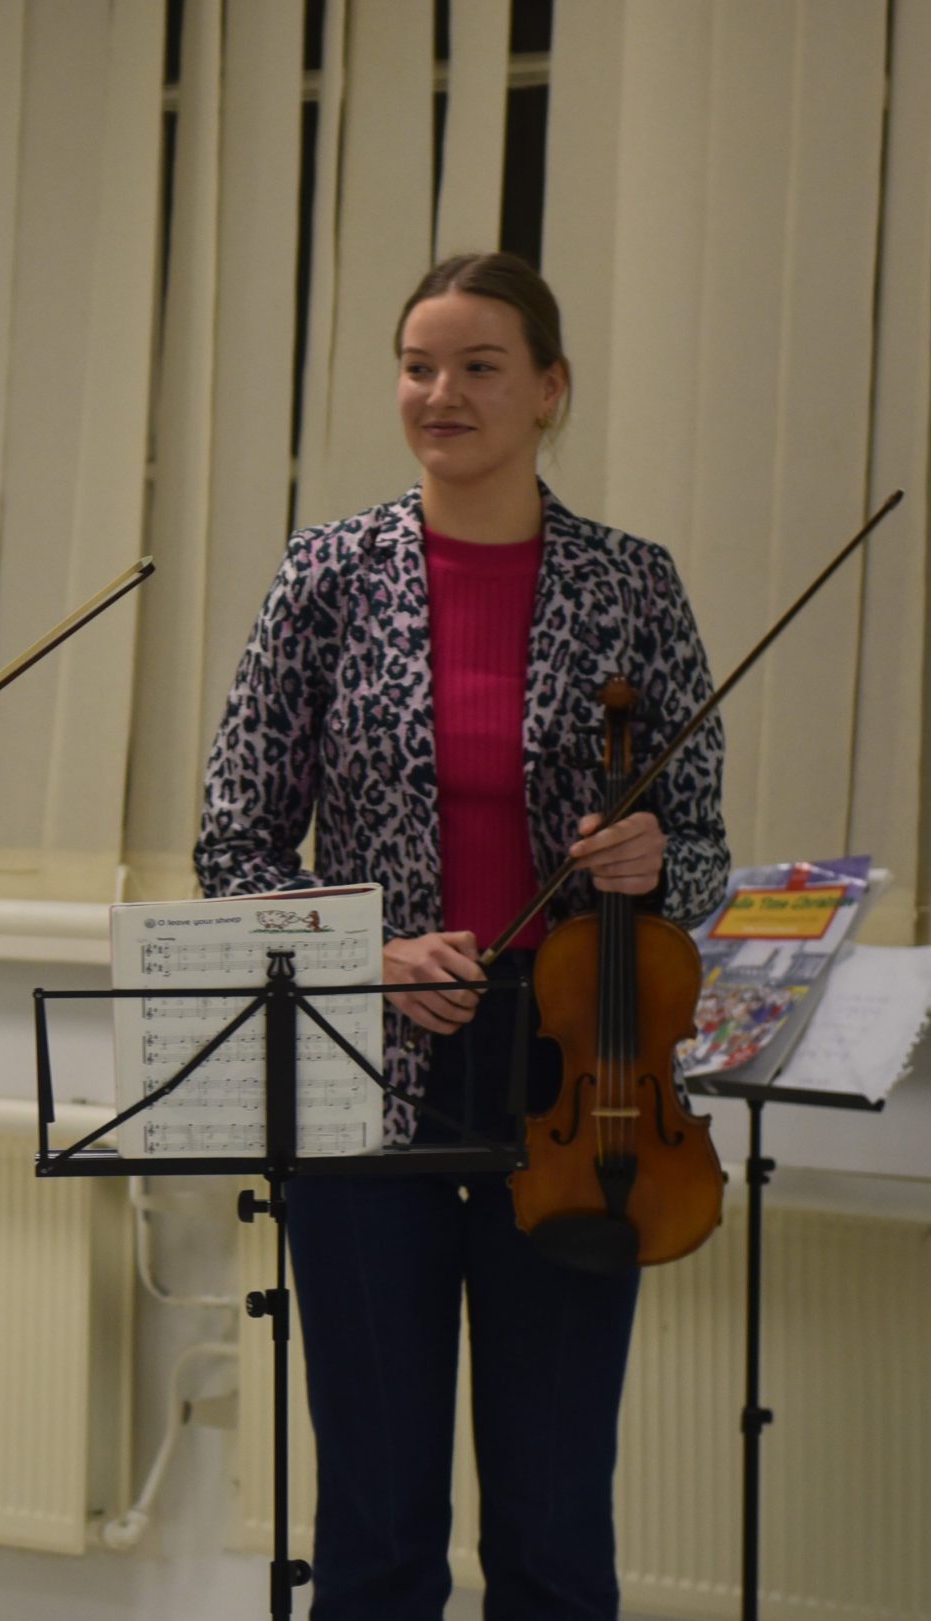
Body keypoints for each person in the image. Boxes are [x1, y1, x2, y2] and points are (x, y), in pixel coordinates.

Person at [196, 252, 728, 1618]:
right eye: (418, 366)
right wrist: (366, 957)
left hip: (579, 1083)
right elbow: (232, 851)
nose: (442, 392)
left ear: (549, 390)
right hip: (364, 1072)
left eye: (480, 366)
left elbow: (703, 852)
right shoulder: (326, 575)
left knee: (552, 1524)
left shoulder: (633, 586)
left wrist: (654, 860)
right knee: (375, 1527)